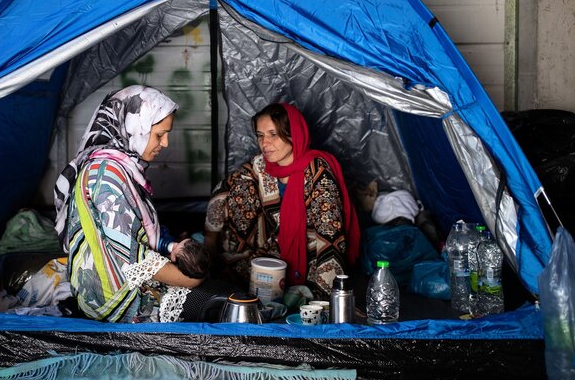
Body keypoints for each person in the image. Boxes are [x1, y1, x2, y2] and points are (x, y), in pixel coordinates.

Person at [53, 85, 206, 323]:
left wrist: (170, 247)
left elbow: (138, 232)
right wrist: (189, 280)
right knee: (210, 303)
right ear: (136, 128)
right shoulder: (105, 174)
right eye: (159, 135)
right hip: (109, 297)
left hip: (119, 280)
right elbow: (133, 256)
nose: (165, 143)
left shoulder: (123, 167)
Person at [204, 103, 360, 298]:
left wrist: (328, 298)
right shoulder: (262, 165)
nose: (265, 143)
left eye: (273, 134)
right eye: (260, 135)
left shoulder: (317, 170)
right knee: (239, 188)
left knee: (311, 295)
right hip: (275, 248)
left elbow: (330, 233)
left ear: (293, 134)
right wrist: (210, 240)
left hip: (311, 253)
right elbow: (223, 190)